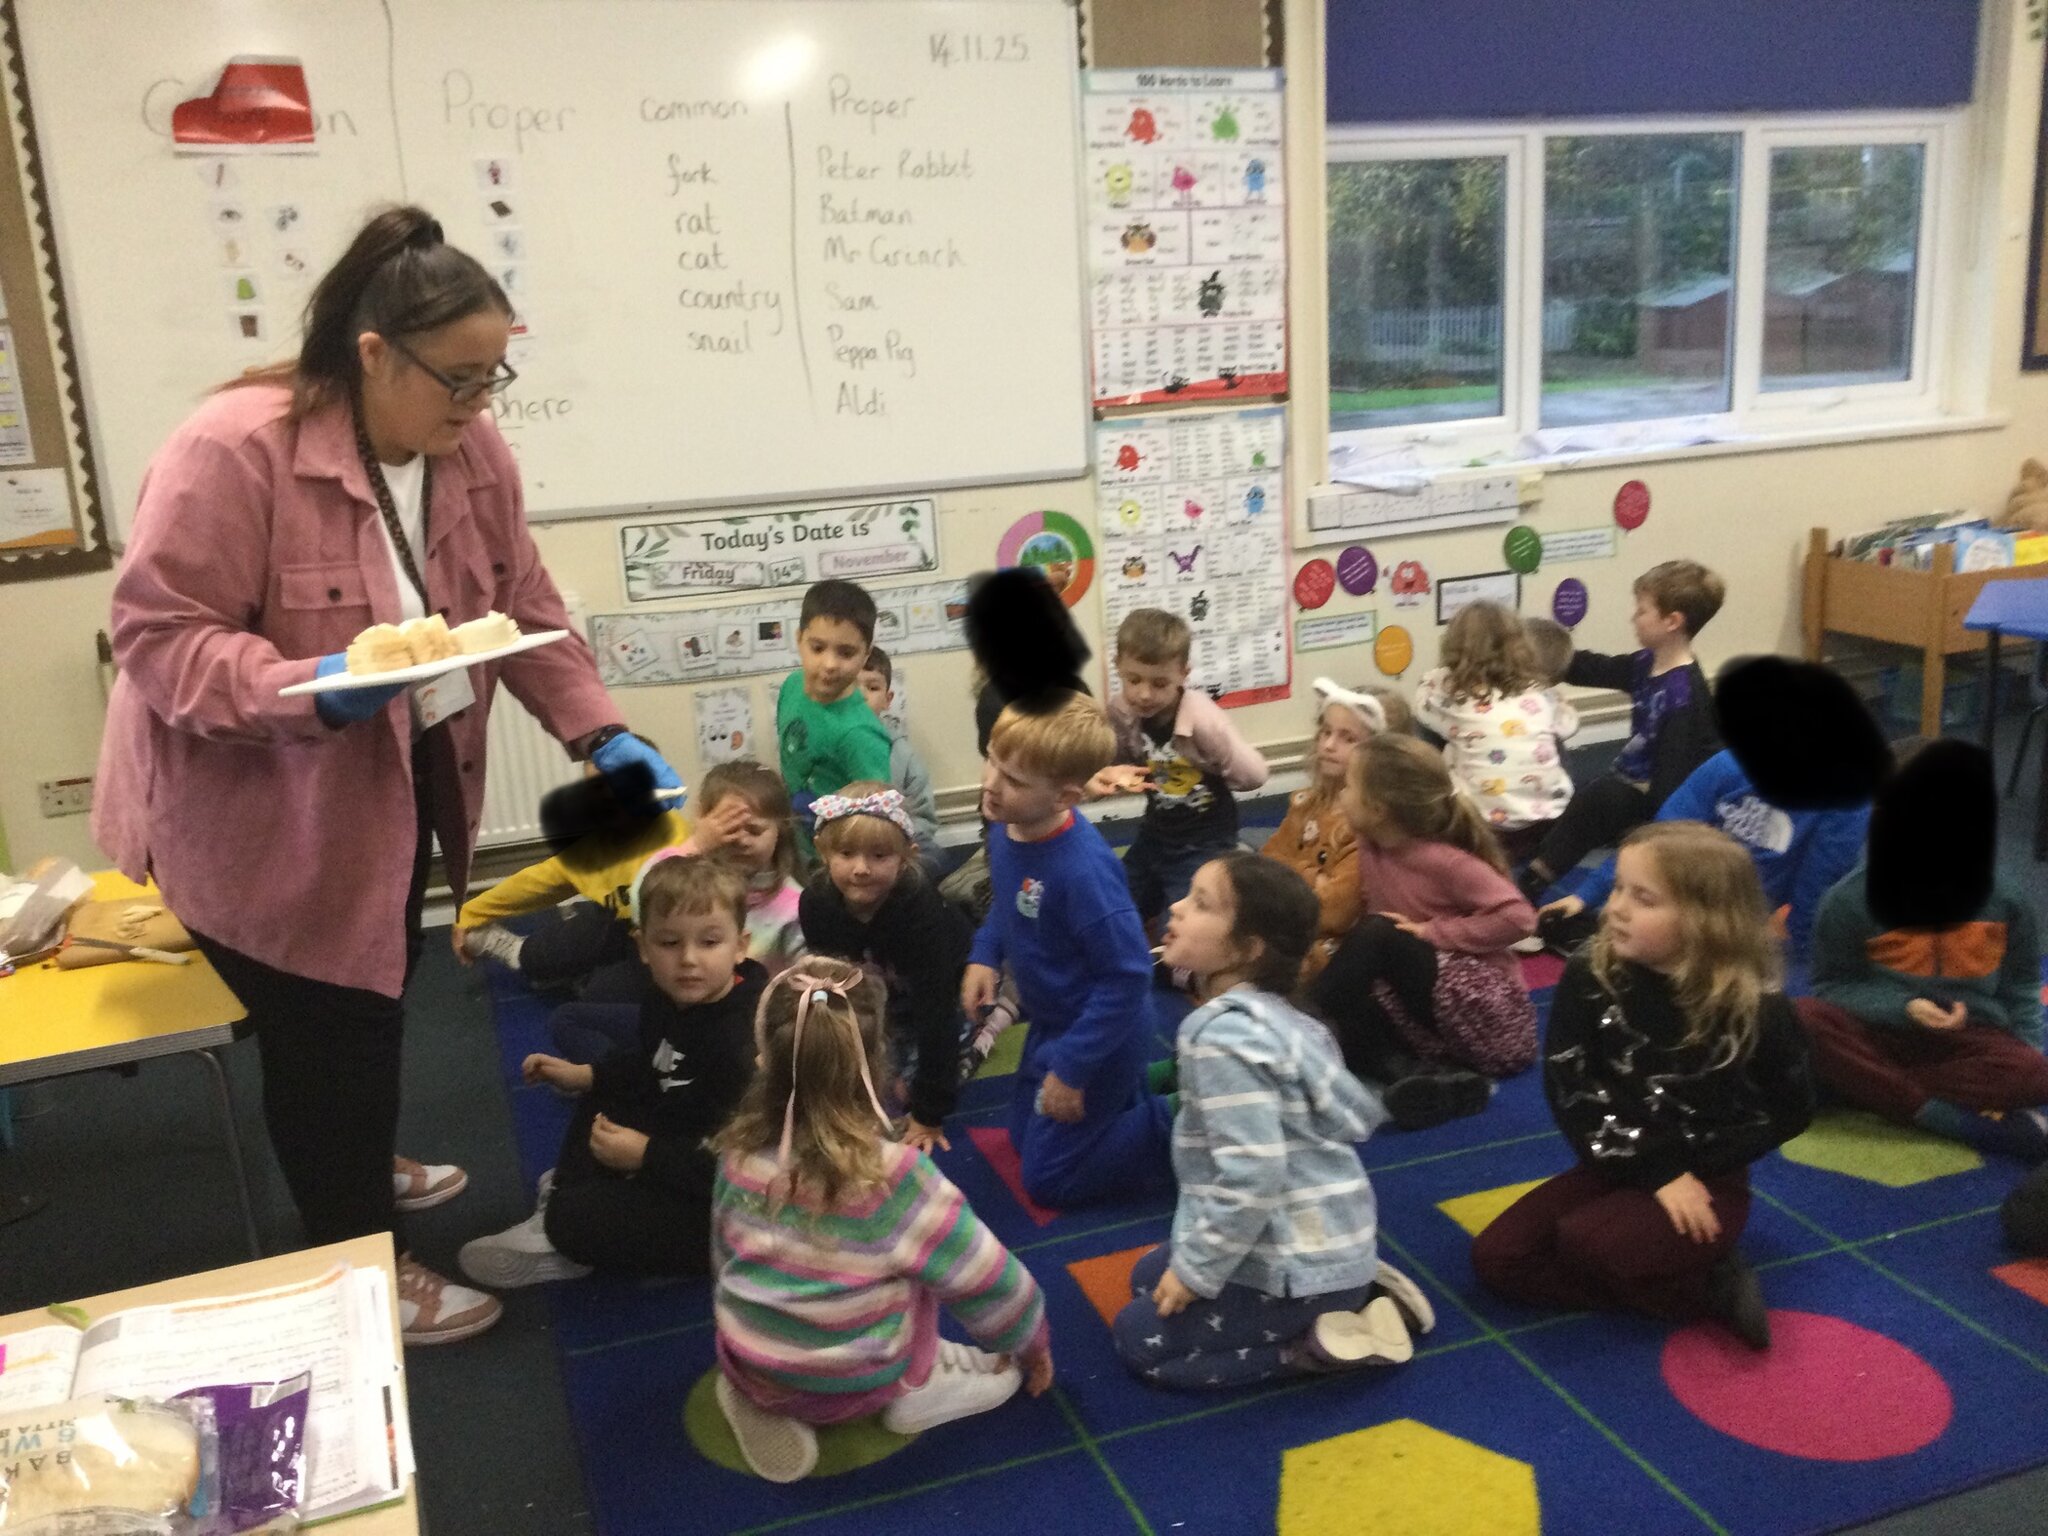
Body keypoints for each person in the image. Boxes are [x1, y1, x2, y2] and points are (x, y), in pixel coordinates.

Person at [91, 205, 682, 1344]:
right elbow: (160, 638)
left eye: (493, 374)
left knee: (369, 988)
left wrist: (594, 730)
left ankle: (355, 1153)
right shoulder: (234, 448)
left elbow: (527, 606)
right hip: (258, 802)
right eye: (458, 379)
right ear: (373, 354)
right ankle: (359, 1262)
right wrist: (305, 686)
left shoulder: (469, 448)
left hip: (401, 774)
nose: (478, 406)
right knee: (327, 1030)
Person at [1471, 823, 1815, 1350]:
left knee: (1589, 1242)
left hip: (1705, 1180)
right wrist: (1649, 1167)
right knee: (1499, 1260)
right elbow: (1571, 1084)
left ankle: (1703, 1274)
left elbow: (1791, 1108)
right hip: (1613, 1157)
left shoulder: (1756, 1007)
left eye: (1643, 898)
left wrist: (1686, 1169)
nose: (1617, 909)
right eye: (1617, 889)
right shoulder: (1592, 974)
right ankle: (1693, 1283)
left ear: (1705, 919)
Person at [710, 959, 1053, 1484]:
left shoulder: (736, 1155)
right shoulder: (892, 1179)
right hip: (858, 1387)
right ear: (878, 1068)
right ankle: (918, 1388)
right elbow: (989, 1280)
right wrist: (1030, 1343)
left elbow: (723, 1258)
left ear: (763, 1060)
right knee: (923, 1263)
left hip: (751, 1363)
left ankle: (755, 1395)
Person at [1113, 854, 1433, 1390]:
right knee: (1146, 1276)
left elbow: (1253, 1175)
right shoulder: (1284, 1017)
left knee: (1138, 1338)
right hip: (1328, 1236)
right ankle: (1358, 1291)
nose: (1177, 907)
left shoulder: (1222, 1041)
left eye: (1201, 903)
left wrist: (1197, 1273)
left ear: (1247, 949)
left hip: (1292, 1260)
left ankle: (1315, 1346)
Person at [458, 857, 767, 1287]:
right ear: (643, 947)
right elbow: (654, 1061)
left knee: (573, 1218)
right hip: (683, 1138)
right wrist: (587, 1075)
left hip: (733, 1205)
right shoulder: (672, 996)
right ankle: (579, 1196)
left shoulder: (740, 1046)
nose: (689, 960)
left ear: (740, 946)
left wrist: (647, 1155)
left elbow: (752, 1168)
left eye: (709, 942)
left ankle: (566, 1239)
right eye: (670, 943)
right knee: (606, 1092)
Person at [962, 693, 1176, 1209]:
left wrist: (1074, 1070)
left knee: (1047, 1180)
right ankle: (1153, 1083)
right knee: (1020, 1137)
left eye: (1013, 780)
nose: (991, 784)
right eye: (992, 759)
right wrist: (985, 951)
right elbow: (1008, 900)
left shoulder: (1083, 872)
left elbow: (1127, 979)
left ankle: (1183, 1117)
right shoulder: (1009, 824)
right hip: (1055, 1020)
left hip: (1103, 1031)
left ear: (1064, 797)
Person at [1796, 739, 2048, 1161]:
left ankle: (1861, 1086)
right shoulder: (1849, 899)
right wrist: (1903, 1007)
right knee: (1802, 1018)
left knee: (2035, 1074)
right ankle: (1941, 1116)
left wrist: (2026, 1053)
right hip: (1878, 1031)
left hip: (1967, 1041)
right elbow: (1832, 987)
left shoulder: (2004, 897)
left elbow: (2022, 985)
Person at [1308, 734, 1538, 1130]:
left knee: (1378, 932)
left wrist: (1434, 933)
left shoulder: (1442, 860)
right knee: (1350, 1008)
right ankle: (1428, 1080)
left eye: (1349, 787)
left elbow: (1519, 918)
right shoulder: (1371, 844)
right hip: (1432, 1020)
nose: (1341, 795)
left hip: (1492, 1018)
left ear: (1377, 808)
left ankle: (1293, 1030)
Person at [540, 760, 806, 1062]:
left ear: (780, 831)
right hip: (675, 1000)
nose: (740, 840)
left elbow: (807, 977)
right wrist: (699, 844)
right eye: (728, 830)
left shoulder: (793, 903)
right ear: (703, 820)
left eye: (754, 830)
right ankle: (623, 1073)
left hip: (739, 1022)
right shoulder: (691, 869)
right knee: (585, 1005)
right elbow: (643, 905)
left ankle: (632, 1075)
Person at [1519, 560, 1724, 902]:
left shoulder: (1682, 698)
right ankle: (1536, 876)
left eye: (1642, 611)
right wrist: (1543, 653)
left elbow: (1673, 785)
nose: (1634, 618)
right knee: (1593, 799)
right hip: (1637, 781)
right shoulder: (1649, 663)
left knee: (1600, 799)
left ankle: (1557, 888)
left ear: (1672, 621)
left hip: (1671, 801)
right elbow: (1599, 668)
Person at [800, 785, 981, 1154]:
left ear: (906, 858)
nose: (861, 869)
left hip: (941, 989)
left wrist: (928, 1114)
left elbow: (937, 1015)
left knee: (906, 1092)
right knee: (851, 1084)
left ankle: (993, 1017)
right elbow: (831, 985)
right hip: (879, 994)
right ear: (823, 852)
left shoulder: (921, 914)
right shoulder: (816, 904)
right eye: (846, 854)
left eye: (879, 855)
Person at [451, 745, 689, 991]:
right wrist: (471, 912)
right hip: (617, 926)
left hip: (666, 945)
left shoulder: (682, 844)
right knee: (543, 955)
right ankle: (519, 952)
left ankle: (588, 973)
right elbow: (541, 880)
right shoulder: (604, 844)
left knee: (602, 994)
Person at [1094, 609, 1270, 933]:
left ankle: (1230, 863)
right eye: (1134, 680)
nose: (1144, 694)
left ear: (1183, 674)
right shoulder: (1121, 711)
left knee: (1177, 936)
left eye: (1160, 683)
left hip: (1206, 840)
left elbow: (1255, 774)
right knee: (1109, 908)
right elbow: (1114, 760)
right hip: (1156, 833)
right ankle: (1158, 898)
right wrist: (1115, 773)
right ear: (1118, 665)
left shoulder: (1204, 721)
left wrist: (1216, 766)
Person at [1413, 601, 1577, 865]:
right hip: (1545, 820)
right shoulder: (1539, 690)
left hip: (1482, 826)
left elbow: (1422, 709)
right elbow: (1568, 725)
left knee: (1436, 737)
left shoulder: (1445, 688)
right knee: (1548, 738)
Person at [1260, 679, 1399, 984]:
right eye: (1325, 732)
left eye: (1348, 738)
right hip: (1291, 922)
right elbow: (1266, 866)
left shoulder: (1368, 826)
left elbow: (1335, 913)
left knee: (1259, 960)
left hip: (1336, 947)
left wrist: (1291, 872)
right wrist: (1313, 875)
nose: (1328, 745)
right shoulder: (1307, 803)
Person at [776, 579, 892, 835]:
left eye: (846, 653)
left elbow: (878, 823)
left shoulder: (861, 735)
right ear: (799, 640)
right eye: (817, 648)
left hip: (839, 865)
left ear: (866, 654)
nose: (829, 664)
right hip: (795, 846)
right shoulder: (791, 687)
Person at [857, 646, 942, 867]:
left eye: (872, 687)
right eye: (850, 687)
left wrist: (895, 840)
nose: (861, 695)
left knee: (934, 857)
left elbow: (924, 817)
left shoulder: (903, 753)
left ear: (887, 699)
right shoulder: (825, 749)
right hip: (846, 848)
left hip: (896, 847)